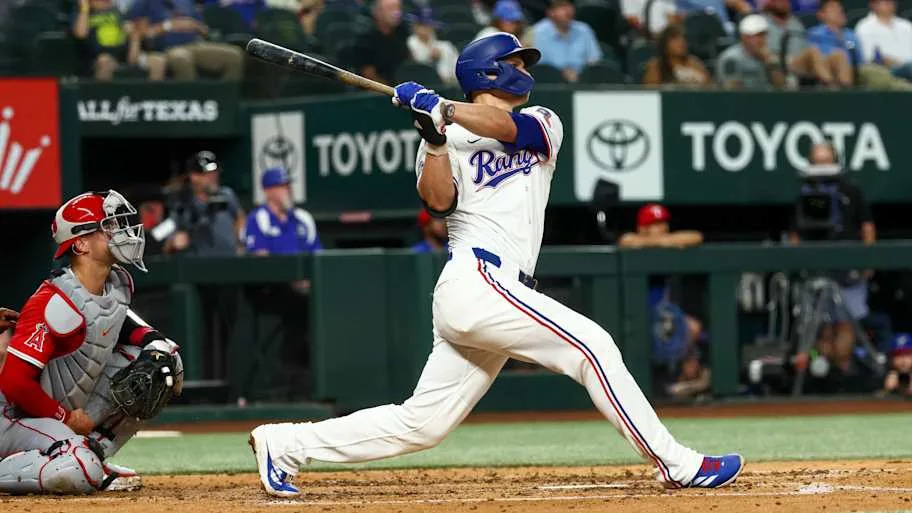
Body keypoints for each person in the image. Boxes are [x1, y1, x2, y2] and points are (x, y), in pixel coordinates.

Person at [248, 32, 743, 498]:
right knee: (593, 346)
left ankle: (284, 444)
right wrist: (434, 139)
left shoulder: (543, 120)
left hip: (500, 290)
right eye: (515, 63)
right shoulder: (441, 137)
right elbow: (438, 203)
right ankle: (676, 463)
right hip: (476, 279)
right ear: (487, 72)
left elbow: (507, 128)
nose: (524, 70)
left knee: (423, 424)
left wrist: (443, 109)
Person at [0, 190, 182, 494]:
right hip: (12, 418)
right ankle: (78, 460)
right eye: (108, 226)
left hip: (60, 411)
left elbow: (124, 326)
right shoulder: (53, 301)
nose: (119, 232)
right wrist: (65, 418)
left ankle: (92, 456)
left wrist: (157, 346)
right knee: (78, 470)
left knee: (166, 360)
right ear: (81, 244)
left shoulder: (116, 284)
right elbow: (14, 384)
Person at [789, 140, 876, 376]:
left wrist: (869, 260)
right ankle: (824, 374)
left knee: (846, 324)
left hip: (848, 270)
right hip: (815, 270)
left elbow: (867, 226)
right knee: (821, 328)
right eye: (817, 163)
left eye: (826, 162)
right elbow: (795, 232)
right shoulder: (805, 193)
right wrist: (796, 262)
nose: (822, 168)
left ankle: (845, 371)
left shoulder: (851, 190)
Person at [619, 204, 709, 399]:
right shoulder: (632, 240)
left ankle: (678, 380)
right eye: (655, 224)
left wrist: (661, 241)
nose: (663, 228)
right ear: (642, 228)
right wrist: (664, 242)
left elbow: (696, 237)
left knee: (692, 327)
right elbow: (626, 241)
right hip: (634, 313)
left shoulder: (663, 241)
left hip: (662, 313)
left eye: (663, 223)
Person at [808, 0, 912, 90]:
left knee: (877, 74)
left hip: (857, 69)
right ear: (821, 14)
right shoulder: (816, 33)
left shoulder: (850, 35)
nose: (839, 10)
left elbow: (860, 59)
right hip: (832, 68)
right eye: (833, 8)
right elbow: (819, 56)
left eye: (839, 8)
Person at [129, 0, 244, 80]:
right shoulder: (145, 3)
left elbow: (203, 29)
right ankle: (191, 102)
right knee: (182, 59)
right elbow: (142, 33)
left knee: (234, 56)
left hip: (194, 43)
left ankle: (223, 100)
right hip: (165, 49)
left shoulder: (186, 2)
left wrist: (196, 26)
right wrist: (168, 26)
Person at [164, 151, 245, 257]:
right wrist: (174, 243)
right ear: (194, 177)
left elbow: (240, 217)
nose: (214, 177)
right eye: (208, 174)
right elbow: (165, 243)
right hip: (199, 263)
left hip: (229, 260)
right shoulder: (182, 203)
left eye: (215, 173)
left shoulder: (227, 194)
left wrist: (240, 241)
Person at [72, 0, 166, 80]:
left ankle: (151, 96)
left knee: (158, 61)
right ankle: (102, 95)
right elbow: (81, 34)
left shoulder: (117, 12)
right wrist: (84, 8)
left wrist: (134, 35)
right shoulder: (84, 13)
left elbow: (133, 39)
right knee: (104, 61)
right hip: (97, 57)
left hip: (123, 55)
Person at [760, 0, 843, 88]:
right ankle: (832, 88)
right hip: (779, 63)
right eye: (779, 1)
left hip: (800, 63)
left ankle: (847, 90)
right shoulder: (763, 23)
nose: (783, 3)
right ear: (771, 3)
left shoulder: (796, 24)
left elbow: (805, 48)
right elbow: (762, 51)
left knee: (838, 55)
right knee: (813, 52)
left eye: (785, 1)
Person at [244, 167, 322, 256]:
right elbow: (260, 258)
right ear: (267, 191)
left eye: (288, 186)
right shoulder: (257, 219)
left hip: (301, 265)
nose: (288, 190)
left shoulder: (304, 218)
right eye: (282, 186)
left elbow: (317, 255)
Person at [531, 0, 602, 82]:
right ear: (550, 12)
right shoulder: (536, 33)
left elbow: (594, 60)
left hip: (583, 81)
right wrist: (563, 74)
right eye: (562, 6)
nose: (568, 10)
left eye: (569, 5)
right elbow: (536, 67)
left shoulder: (584, 30)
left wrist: (581, 74)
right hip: (548, 82)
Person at [716, 14, 787, 89]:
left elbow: (781, 86)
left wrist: (770, 63)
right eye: (757, 36)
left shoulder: (768, 56)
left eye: (764, 35)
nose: (762, 40)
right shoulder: (731, 58)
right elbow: (733, 90)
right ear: (744, 37)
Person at [352, 0, 410, 85]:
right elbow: (369, 76)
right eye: (391, 8)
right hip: (378, 89)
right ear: (377, 13)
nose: (397, 13)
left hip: (403, 84)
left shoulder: (403, 32)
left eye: (398, 8)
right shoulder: (365, 40)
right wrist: (391, 90)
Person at [854, 0, 912, 81]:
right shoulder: (864, 27)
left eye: (892, 1)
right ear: (873, 4)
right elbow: (869, 57)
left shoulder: (906, 25)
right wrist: (897, 63)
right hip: (886, 70)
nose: (890, 4)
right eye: (886, 2)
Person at [642, 24, 713, 87]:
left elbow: (711, 87)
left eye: (683, 38)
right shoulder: (656, 66)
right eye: (675, 39)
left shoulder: (694, 63)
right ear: (665, 44)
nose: (681, 42)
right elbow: (651, 92)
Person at [406, 7, 459, 85]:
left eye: (429, 24)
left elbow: (458, 72)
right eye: (422, 24)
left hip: (448, 87)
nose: (426, 27)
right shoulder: (409, 43)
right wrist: (429, 58)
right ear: (414, 25)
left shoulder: (446, 46)